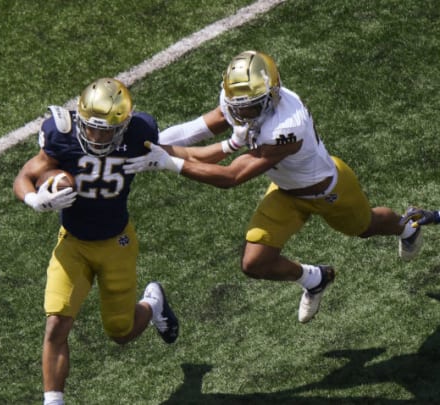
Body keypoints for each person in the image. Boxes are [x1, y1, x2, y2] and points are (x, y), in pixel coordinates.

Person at [123, 50, 429, 324]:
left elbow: (231, 177)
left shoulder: (286, 127)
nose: (241, 115)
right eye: (237, 107)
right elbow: (198, 129)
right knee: (254, 263)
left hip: (327, 190)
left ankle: (408, 227)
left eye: (251, 108)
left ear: (272, 96)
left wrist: (168, 162)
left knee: (367, 227)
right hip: (286, 192)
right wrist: (153, 143)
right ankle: (314, 279)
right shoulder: (244, 101)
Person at [13, 78, 179, 405]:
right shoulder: (63, 137)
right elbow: (25, 176)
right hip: (73, 244)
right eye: (92, 128)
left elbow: (180, 144)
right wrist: (34, 199)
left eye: (107, 130)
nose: (99, 136)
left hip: (116, 243)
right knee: (56, 323)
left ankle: (153, 302)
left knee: (122, 332)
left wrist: (228, 147)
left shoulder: (138, 134)